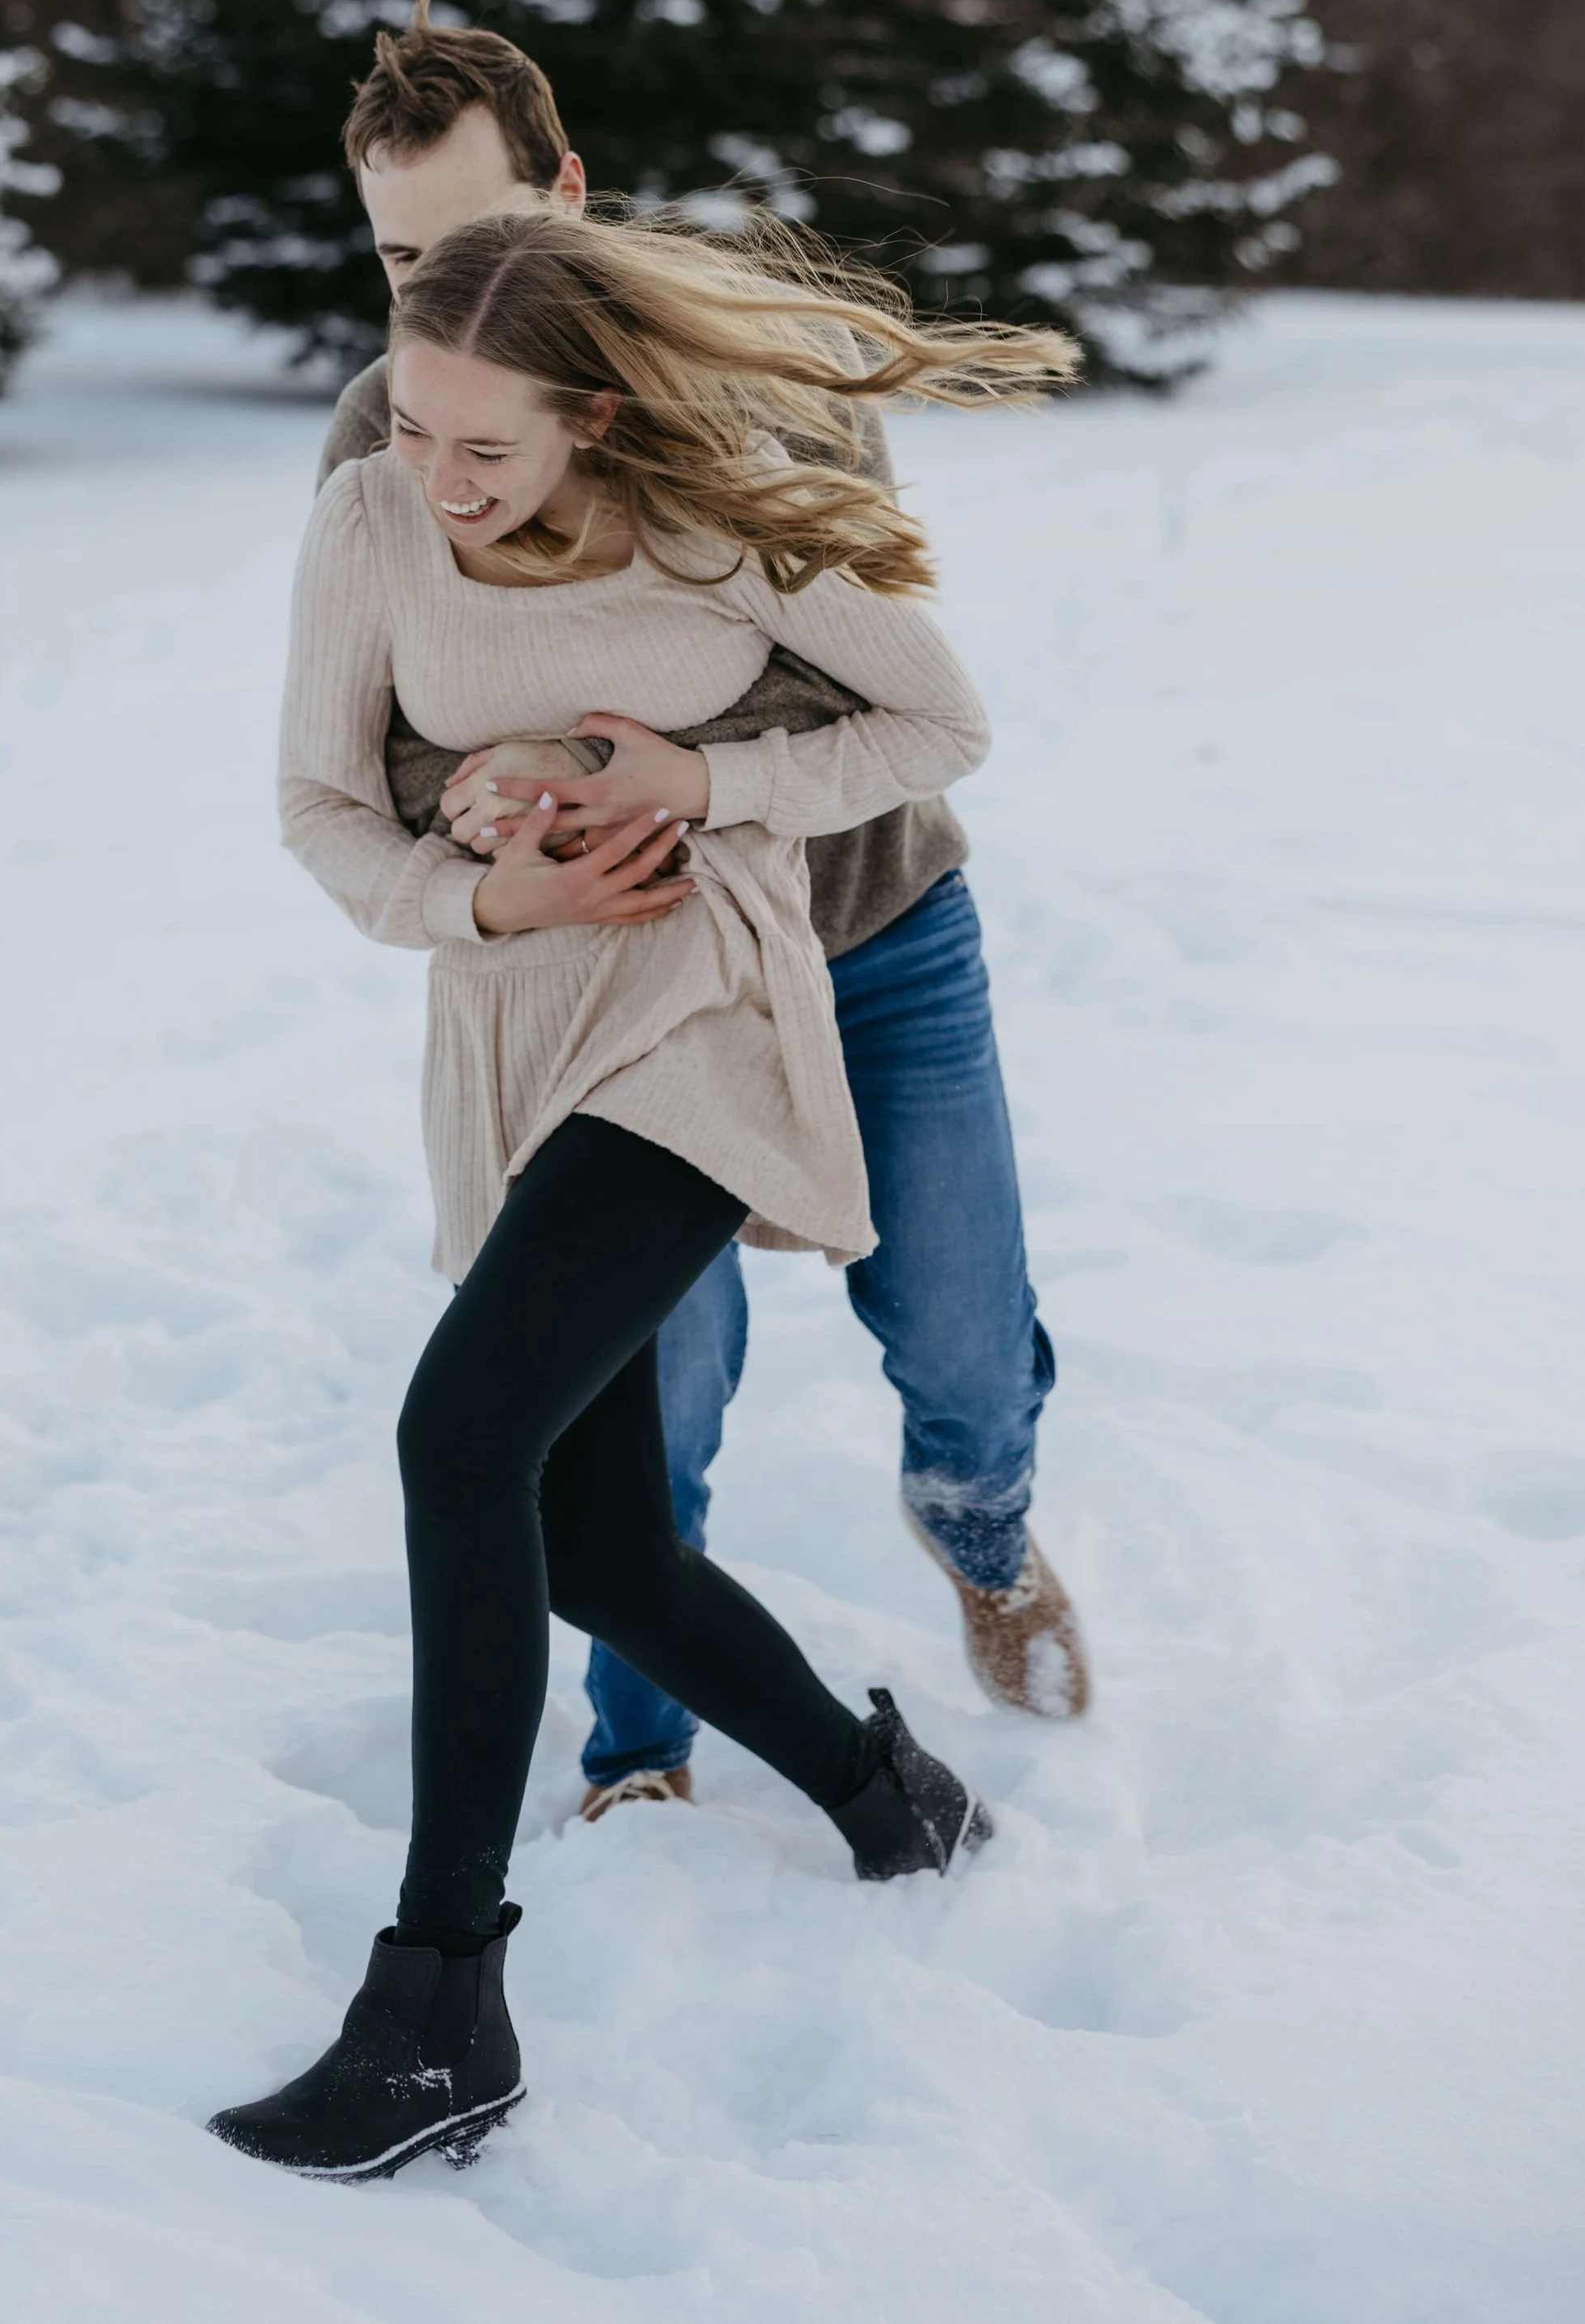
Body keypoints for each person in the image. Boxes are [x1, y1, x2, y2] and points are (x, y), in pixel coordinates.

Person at [209, 203, 1072, 2181]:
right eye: (413, 430)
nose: (436, 476)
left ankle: (436, 2004)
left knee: (458, 1437)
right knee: (597, 1545)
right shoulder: (367, 522)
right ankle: (885, 1793)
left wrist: (704, 785)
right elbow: (320, 806)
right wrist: (475, 893)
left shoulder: (722, 515)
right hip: (513, 1029)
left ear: (593, 412)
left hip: (704, 1012)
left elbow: (936, 723)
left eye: (481, 446)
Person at [319, 12, 1091, 1826]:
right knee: (636, 1400)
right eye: (395, 258)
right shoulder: (398, 429)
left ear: (565, 197)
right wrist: (489, 802)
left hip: (869, 924)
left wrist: (625, 753)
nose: (436, 294)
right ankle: (641, 1744)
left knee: (963, 1341)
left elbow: (855, 689)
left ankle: (982, 1533)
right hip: (636, 989)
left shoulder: (756, 393)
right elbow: (392, 736)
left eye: (469, 240)